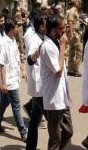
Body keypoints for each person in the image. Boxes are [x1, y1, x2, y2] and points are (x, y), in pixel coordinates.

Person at [40, 16, 73, 150]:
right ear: (53, 30)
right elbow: (58, 72)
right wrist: (63, 46)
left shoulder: (56, 43)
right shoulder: (47, 47)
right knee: (55, 138)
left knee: (68, 131)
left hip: (62, 97)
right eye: (62, 29)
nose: (64, 31)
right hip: (53, 100)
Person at [0, 19, 27, 141]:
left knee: (4, 103)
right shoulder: (4, 42)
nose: (17, 30)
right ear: (11, 29)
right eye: (15, 28)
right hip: (9, 81)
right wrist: (3, 83)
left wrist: (23, 70)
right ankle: (24, 133)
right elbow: (1, 64)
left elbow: (17, 57)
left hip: (15, 77)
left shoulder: (13, 41)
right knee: (16, 106)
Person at [25, 15, 46, 150]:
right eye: (45, 24)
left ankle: (30, 147)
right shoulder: (34, 40)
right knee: (53, 120)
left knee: (35, 119)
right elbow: (30, 59)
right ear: (40, 26)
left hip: (41, 85)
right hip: (39, 85)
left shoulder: (43, 38)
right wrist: (36, 54)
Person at [66, 0, 83, 77]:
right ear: (75, 2)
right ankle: (75, 69)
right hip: (74, 33)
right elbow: (70, 22)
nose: (79, 3)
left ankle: (70, 69)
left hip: (75, 32)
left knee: (72, 51)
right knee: (79, 51)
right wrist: (72, 34)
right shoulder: (72, 11)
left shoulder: (74, 10)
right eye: (78, 1)